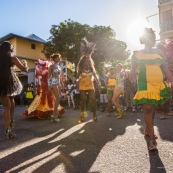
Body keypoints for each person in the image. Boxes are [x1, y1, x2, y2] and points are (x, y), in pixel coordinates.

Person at [130, 28, 173, 151]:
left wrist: (172, 81)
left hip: (157, 83)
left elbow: (165, 69)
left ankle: (148, 130)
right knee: (148, 108)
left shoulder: (159, 52)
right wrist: (131, 74)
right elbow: (133, 69)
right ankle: (152, 140)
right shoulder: (137, 54)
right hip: (144, 83)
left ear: (153, 39)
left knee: (152, 108)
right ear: (143, 39)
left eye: (151, 37)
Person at [0, 41, 28, 139]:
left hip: (1, 84)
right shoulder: (13, 58)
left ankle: (8, 130)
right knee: (11, 101)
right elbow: (24, 69)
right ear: (10, 49)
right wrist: (25, 63)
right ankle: (11, 122)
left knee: (6, 106)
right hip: (11, 82)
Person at [76, 37, 100, 123]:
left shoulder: (91, 67)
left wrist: (97, 81)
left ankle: (94, 114)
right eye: (86, 59)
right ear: (83, 60)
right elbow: (77, 77)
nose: (87, 61)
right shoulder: (80, 68)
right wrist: (77, 80)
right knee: (83, 100)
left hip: (90, 84)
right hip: (82, 84)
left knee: (93, 99)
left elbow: (94, 74)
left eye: (89, 60)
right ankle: (82, 115)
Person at [48, 53, 65, 122]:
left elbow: (60, 77)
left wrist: (62, 84)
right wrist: (49, 85)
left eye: (59, 58)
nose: (59, 59)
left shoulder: (59, 67)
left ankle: (53, 114)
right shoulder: (51, 66)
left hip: (59, 83)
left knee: (57, 99)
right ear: (54, 59)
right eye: (58, 58)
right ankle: (55, 115)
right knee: (57, 97)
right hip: (53, 82)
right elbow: (49, 76)